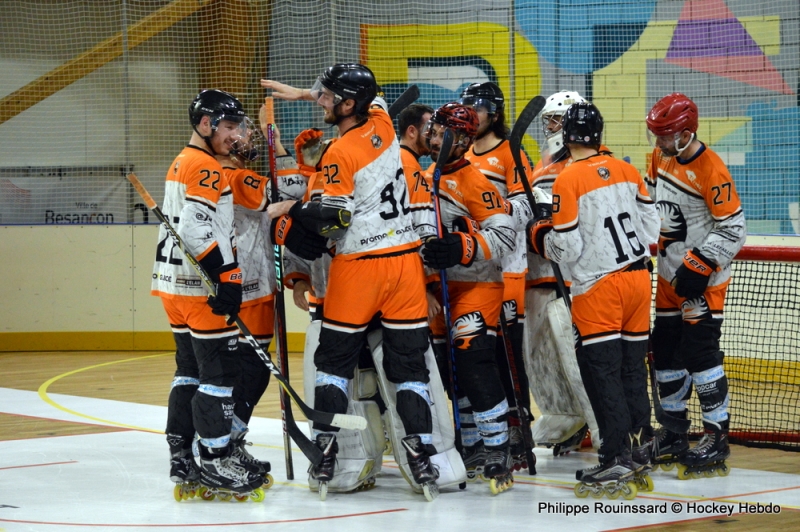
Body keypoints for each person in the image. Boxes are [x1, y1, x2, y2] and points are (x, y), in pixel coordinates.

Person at [261, 64, 440, 497]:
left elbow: (336, 221)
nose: (320, 100)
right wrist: (301, 92)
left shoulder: (339, 153)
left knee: (334, 362)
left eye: (326, 97)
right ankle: (422, 453)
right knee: (410, 367)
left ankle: (325, 450)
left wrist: (290, 214)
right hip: (405, 267)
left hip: (360, 266)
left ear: (346, 104)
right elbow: (361, 95)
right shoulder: (382, 121)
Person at [527, 102, 660, 498]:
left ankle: (616, 455)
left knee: (601, 372)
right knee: (633, 368)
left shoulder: (568, 179)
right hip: (638, 280)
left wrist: (539, 232)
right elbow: (653, 226)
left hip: (600, 287)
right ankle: (641, 446)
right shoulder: (627, 169)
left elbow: (566, 249)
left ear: (565, 136)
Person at [153, 89, 264, 497]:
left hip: (172, 285)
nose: (236, 134)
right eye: (229, 126)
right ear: (205, 125)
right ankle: (217, 461)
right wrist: (228, 277)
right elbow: (196, 230)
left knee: (188, 371)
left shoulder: (183, 161)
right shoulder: (206, 167)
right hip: (200, 288)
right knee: (219, 374)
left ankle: (181, 458)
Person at [644, 93, 746, 477]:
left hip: (702, 281)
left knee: (700, 353)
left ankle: (716, 437)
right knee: (665, 352)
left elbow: (734, 227)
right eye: (655, 134)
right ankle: (672, 433)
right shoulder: (660, 157)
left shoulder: (712, 169)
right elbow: (650, 204)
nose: (657, 143)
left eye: (665, 135)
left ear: (686, 133)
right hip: (669, 276)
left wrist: (702, 262)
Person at [422, 102, 517, 494]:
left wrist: (463, 246)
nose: (436, 136)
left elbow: (506, 236)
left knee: (473, 361)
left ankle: (499, 449)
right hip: (437, 291)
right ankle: (473, 445)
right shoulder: (422, 174)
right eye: (435, 129)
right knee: (449, 369)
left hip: (477, 284)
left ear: (463, 140)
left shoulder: (476, 181)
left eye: (446, 132)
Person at [216, 115, 307, 483]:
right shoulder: (232, 177)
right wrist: (279, 147)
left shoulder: (232, 175)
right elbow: (295, 189)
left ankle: (226, 442)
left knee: (249, 374)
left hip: (255, 287)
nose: (245, 135)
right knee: (242, 374)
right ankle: (220, 446)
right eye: (236, 129)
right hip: (244, 288)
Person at [458, 82, 535, 472]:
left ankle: (519, 431)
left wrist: (489, 208)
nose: (472, 114)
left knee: (508, 359)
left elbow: (528, 209)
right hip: (473, 271)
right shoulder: (463, 154)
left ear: (495, 113)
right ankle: (482, 436)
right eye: (467, 107)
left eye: (479, 108)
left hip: (508, 270)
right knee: (478, 358)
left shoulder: (511, 153)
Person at [525, 90, 600, 454]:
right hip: (541, 272)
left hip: (572, 276)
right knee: (543, 357)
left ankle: (601, 423)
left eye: (557, 119)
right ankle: (565, 419)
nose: (551, 127)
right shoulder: (544, 163)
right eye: (549, 120)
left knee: (577, 359)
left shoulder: (582, 165)